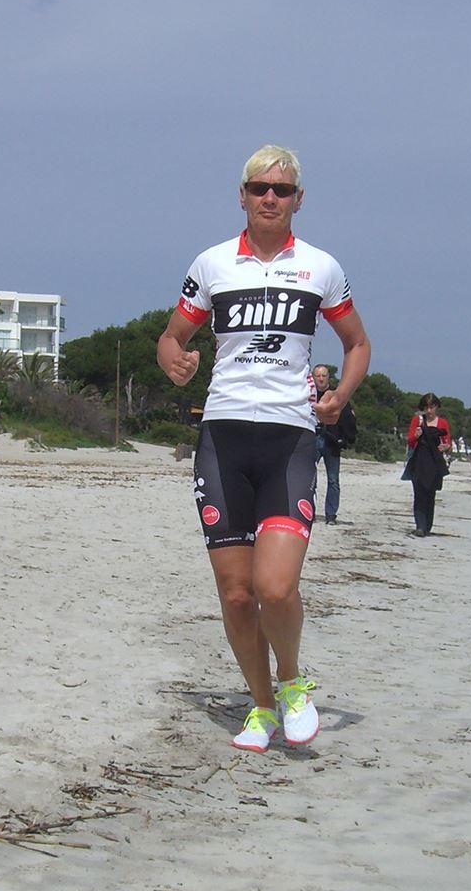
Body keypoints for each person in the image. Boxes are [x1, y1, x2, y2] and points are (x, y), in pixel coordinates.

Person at [157, 146, 370, 753]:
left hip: (290, 440)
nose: (269, 198)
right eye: (259, 188)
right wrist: (174, 360)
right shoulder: (213, 264)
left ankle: (292, 684)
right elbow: (172, 335)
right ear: (242, 196)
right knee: (236, 594)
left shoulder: (321, 268)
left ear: (299, 199)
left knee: (275, 588)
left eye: (281, 190)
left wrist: (340, 396)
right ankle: (260, 706)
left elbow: (356, 343)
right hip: (223, 439)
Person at [312, 364, 358, 523]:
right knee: (309, 479)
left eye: (324, 375)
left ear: (328, 377)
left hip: (332, 442)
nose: (321, 378)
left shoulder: (336, 396)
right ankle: (309, 512)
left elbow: (349, 419)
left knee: (333, 480)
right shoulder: (308, 395)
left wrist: (346, 438)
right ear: (313, 377)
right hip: (311, 439)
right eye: (318, 375)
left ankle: (331, 514)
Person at [403, 393, 452, 537]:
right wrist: (416, 436)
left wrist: (446, 447)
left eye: (432, 407)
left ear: (437, 407)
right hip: (418, 462)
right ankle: (420, 526)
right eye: (426, 407)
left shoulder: (442, 423)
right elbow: (410, 441)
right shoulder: (417, 420)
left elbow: (447, 442)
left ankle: (427, 527)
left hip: (434, 463)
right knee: (419, 494)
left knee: (430, 495)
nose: (429, 411)